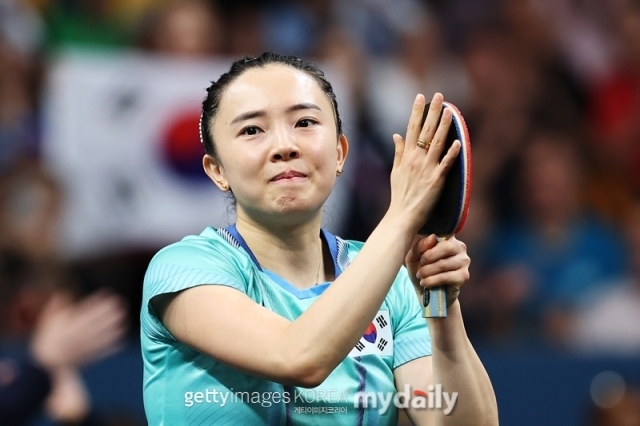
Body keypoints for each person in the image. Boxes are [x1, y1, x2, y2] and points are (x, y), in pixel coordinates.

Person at [141, 52, 498, 425]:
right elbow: (297, 357)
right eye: (252, 130)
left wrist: (440, 310)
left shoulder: (392, 285)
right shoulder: (184, 269)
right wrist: (403, 215)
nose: (284, 146)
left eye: (305, 122)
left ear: (341, 153)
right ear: (217, 171)